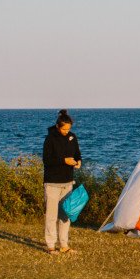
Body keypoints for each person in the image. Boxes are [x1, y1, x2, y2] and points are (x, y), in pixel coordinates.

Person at [42, 109, 82, 254]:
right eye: (64, 129)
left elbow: (77, 153)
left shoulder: (73, 137)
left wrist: (78, 162)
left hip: (67, 181)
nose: (67, 131)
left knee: (65, 215)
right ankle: (51, 245)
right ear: (58, 126)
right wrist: (64, 160)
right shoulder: (50, 139)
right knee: (52, 216)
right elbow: (46, 160)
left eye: (69, 129)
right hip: (52, 182)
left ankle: (64, 245)